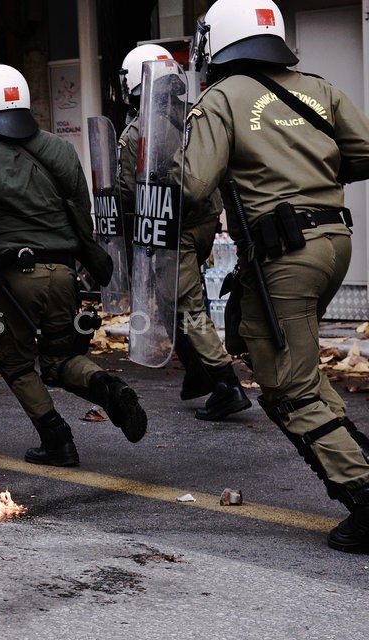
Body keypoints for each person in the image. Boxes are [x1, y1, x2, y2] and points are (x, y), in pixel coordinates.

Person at [185, 0, 369, 553]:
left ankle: (362, 494)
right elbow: (362, 154)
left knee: (288, 386)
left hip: (284, 254)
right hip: (334, 243)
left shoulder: (220, 99)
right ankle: (356, 455)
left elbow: (193, 185)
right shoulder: (321, 88)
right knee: (300, 367)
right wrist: (305, 173)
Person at [0, 62, 148, 467]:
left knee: (16, 363)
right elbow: (81, 214)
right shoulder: (61, 148)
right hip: (64, 275)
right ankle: (109, 388)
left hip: (15, 280)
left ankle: (57, 440)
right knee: (58, 360)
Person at [118, 43, 251, 421]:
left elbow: (131, 193)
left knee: (187, 307)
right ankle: (198, 372)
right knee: (180, 302)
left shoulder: (137, 131)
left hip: (171, 232)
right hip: (205, 221)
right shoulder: (194, 117)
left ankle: (227, 385)